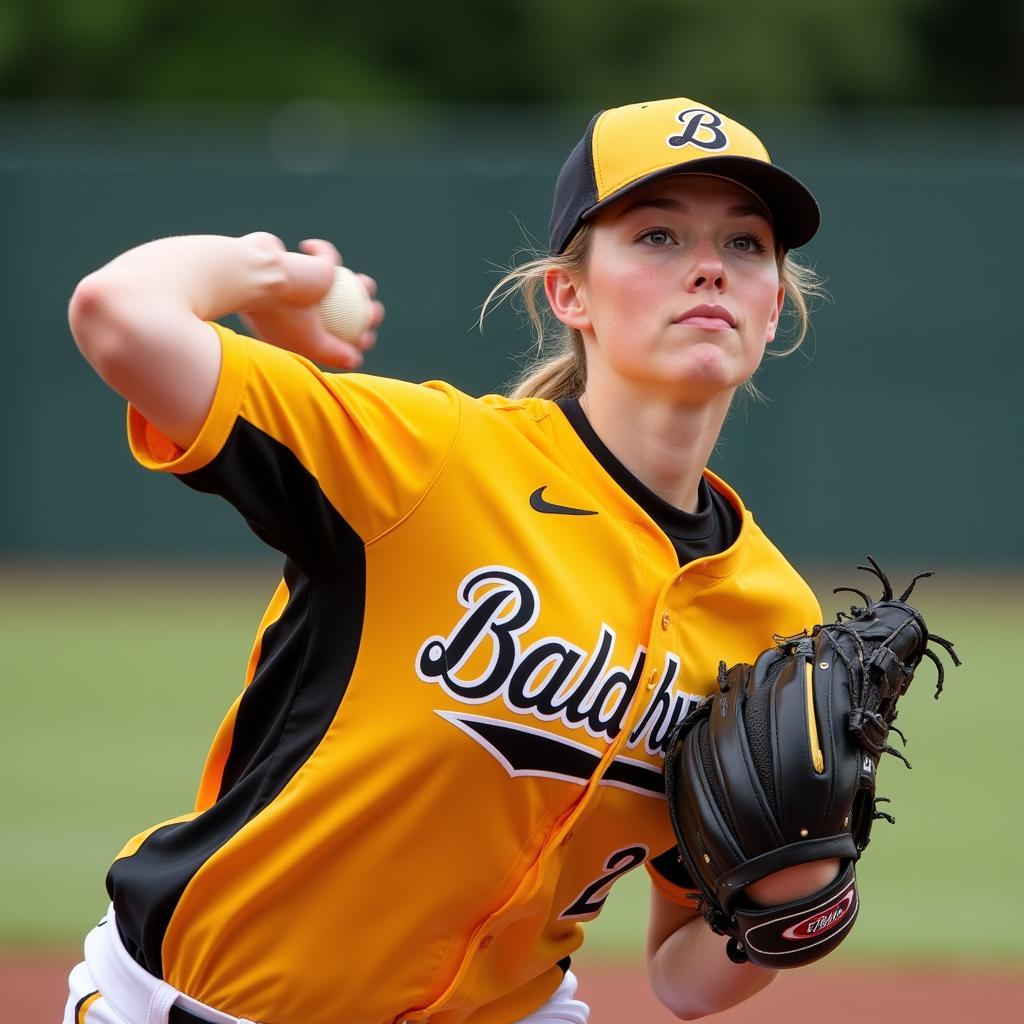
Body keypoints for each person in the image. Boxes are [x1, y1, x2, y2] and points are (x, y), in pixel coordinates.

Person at [65, 97, 835, 1024]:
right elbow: (117, 313)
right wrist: (266, 274)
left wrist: (794, 909)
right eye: (659, 236)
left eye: (746, 245)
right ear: (569, 294)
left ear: (776, 302)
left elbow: (682, 975)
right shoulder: (430, 458)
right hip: (204, 1005)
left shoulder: (771, 618)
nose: (710, 268)